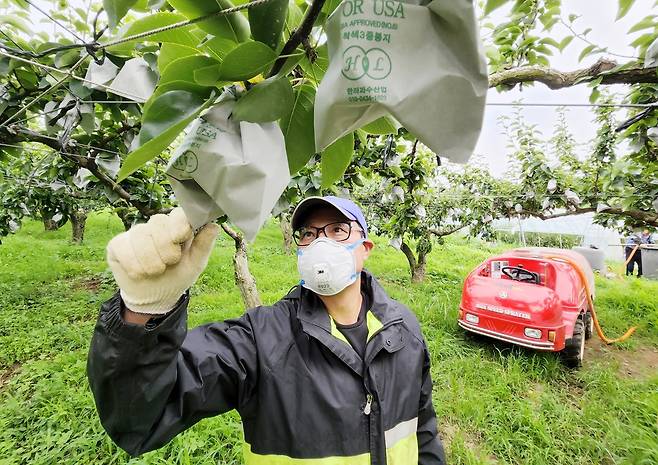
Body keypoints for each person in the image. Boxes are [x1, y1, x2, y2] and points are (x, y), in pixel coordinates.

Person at [87, 196, 446, 465]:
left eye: (337, 230)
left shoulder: (403, 330)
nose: (321, 243)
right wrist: (143, 313)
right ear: (299, 250)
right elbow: (140, 417)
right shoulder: (261, 339)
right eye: (309, 233)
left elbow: (423, 428)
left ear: (364, 248)